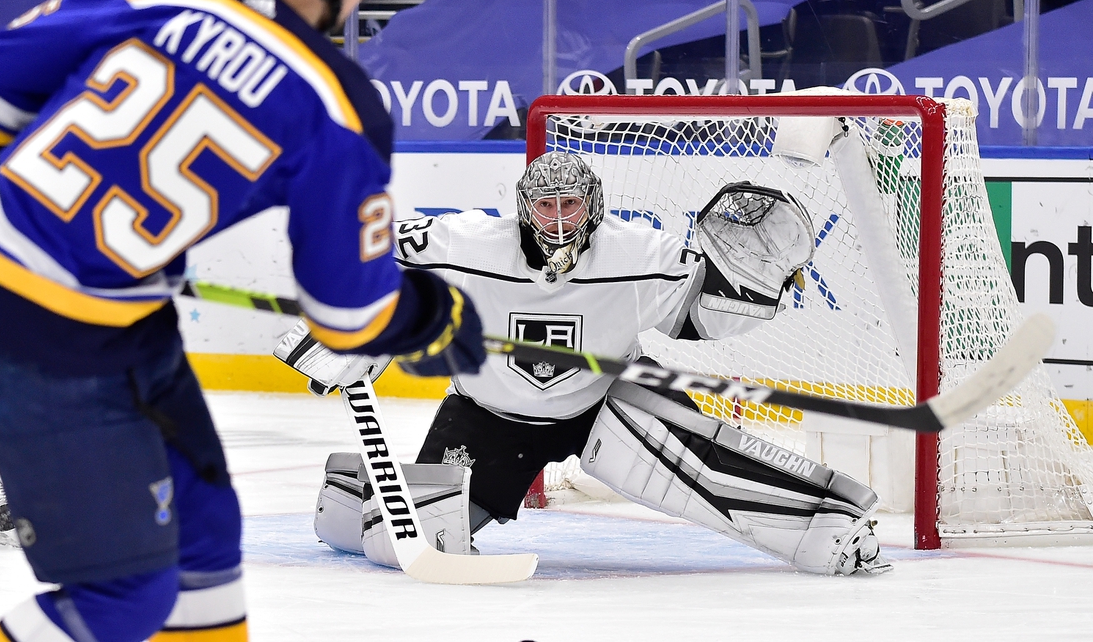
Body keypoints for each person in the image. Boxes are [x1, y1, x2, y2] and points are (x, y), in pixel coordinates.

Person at [0, 0, 484, 641]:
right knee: (124, 594)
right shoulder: (338, 107)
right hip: (52, 344)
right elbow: (349, 318)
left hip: (111, 323)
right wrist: (431, 310)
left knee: (204, 549)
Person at [280, 151, 892, 576]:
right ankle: (351, 493)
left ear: (594, 206)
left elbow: (704, 309)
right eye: (542, 207)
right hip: (489, 416)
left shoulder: (637, 255)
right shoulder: (468, 245)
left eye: (569, 205)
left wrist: (762, 282)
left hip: (608, 402)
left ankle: (837, 526)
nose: (556, 220)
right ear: (522, 207)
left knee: (715, 473)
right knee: (398, 543)